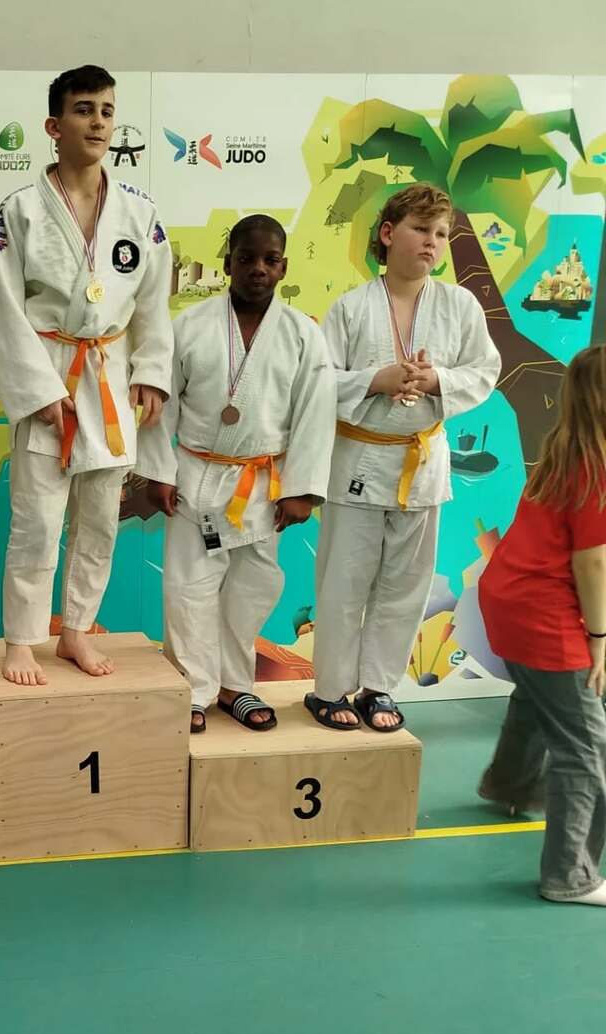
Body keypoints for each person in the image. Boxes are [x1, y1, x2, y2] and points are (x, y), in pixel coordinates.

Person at [0, 63, 173, 686]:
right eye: (84, 109)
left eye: (107, 111)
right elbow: (0, 307)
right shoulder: (21, 210)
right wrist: (38, 390)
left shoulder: (140, 212)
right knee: (37, 520)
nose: (98, 122)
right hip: (51, 372)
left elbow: (153, 302)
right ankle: (22, 640)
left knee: (100, 519)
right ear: (53, 125)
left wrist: (151, 371)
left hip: (109, 377)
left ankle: (77, 631)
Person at [307, 184, 501, 731]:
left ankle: (379, 688)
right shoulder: (350, 308)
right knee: (344, 583)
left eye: (441, 233)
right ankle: (329, 690)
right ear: (389, 234)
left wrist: (435, 379)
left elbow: (484, 370)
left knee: (406, 584)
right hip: (358, 462)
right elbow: (320, 382)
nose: (432, 242)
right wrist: (378, 379)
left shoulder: (459, 305)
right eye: (421, 229)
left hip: (422, 461)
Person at [140, 215, 336, 731]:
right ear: (228, 264)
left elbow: (315, 414)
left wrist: (302, 490)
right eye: (246, 258)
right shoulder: (189, 326)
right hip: (197, 476)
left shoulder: (303, 335)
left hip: (264, 486)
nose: (258, 269)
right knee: (188, 589)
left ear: (284, 267)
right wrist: (159, 471)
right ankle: (193, 690)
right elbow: (164, 403)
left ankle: (236, 686)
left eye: (270, 260)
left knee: (252, 589)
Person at [478, 345, 606, 905]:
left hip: (506, 598)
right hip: (541, 612)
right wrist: (598, 640)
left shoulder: (564, 450)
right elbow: (592, 564)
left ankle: (507, 784)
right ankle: (570, 876)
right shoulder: (598, 467)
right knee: (585, 746)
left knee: (535, 697)